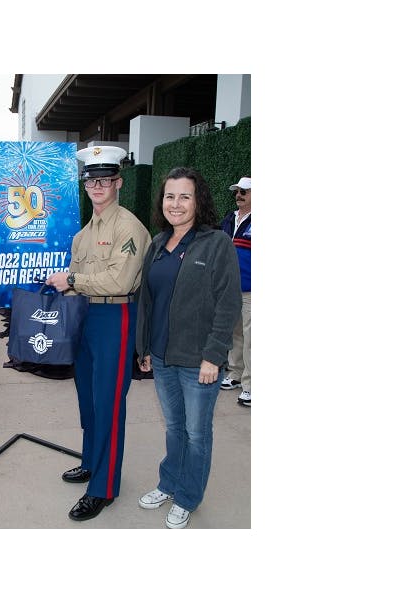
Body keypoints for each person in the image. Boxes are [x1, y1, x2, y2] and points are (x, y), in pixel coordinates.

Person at [45, 146, 152, 522]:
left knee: (108, 402)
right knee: (88, 400)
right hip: (86, 316)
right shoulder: (82, 235)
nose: (97, 186)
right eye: (91, 179)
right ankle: (91, 462)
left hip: (115, 316)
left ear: (118, 182)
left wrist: (71, 279)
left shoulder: (129, 227)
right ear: (85, 183)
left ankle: (104, 487)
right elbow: (74, 284)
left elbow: (120, 279)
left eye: (105, 179)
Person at [135, 167, 241, 529]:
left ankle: (188, 496)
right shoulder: (157, 242)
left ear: (199, 201)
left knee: (197, 433)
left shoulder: (216, 243)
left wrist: (214, 355)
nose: (176, 204)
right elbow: (148, 300)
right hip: (162, 356)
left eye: (185, 196)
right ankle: (169, 482)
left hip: (199, 362)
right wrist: (145, 347)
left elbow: (228, 304)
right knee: (174, 427)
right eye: (170, 196)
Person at [220, 176, 251, 406]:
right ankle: (236, 374)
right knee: (235, 333)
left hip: (252, 289)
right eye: (237, 191)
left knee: (252, 338)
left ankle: (251, 385)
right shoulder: (230, 218)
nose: (239, 195)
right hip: (230, 287)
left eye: (244, 191)